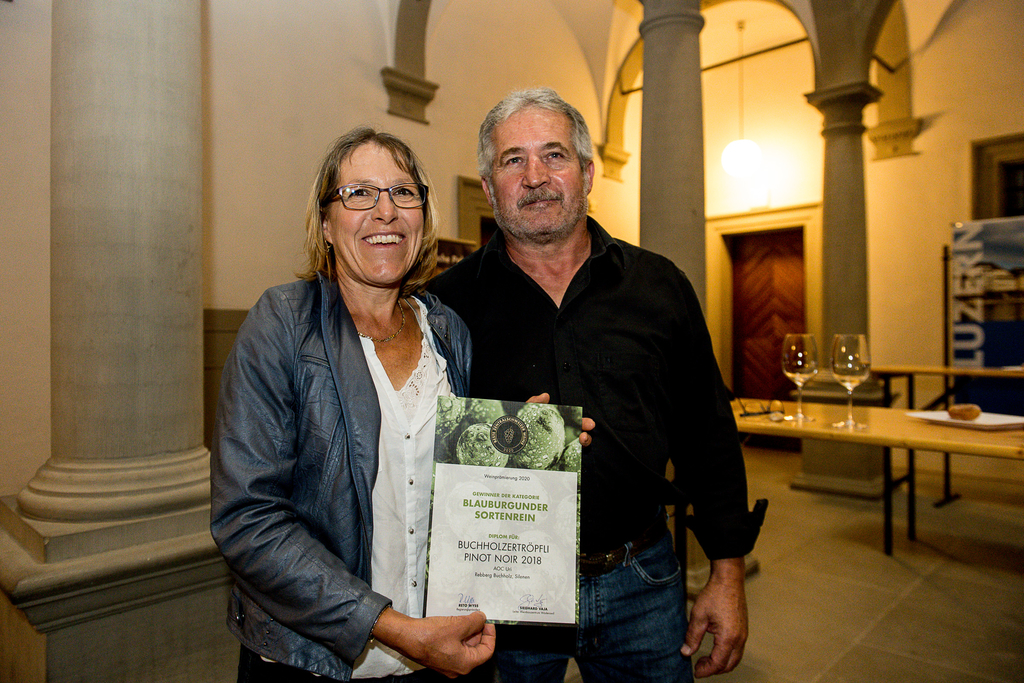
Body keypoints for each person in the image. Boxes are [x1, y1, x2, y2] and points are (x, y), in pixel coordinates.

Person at [428, 88, 767, 682]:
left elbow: (706, 434)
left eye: (553, 155)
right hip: (500, 593)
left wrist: (728, 572)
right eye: (513, 161)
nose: (535, 177)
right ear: (488, 187)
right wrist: (497, 443)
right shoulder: (447, 306)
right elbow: (416, 450)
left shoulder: (659, 287)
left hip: (640, 579)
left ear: (586, 173)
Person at [210, 127, 498, 682]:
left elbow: (462, 492)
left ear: (423, 216)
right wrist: (391, 626)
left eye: (403, 192)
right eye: (359, 193)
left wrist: (527, 446)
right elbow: (248, 519)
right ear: (325, 223)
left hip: (439, 657)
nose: (385, 211)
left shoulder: (447, 332)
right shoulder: (283, 324)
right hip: (314, 664)